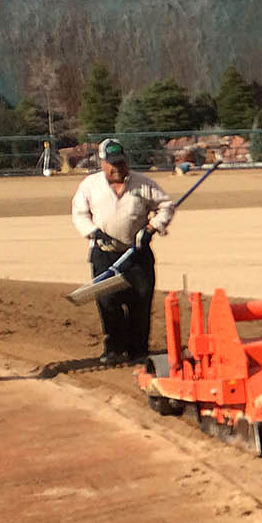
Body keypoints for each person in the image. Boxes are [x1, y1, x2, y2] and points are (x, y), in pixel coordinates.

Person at [70, 138, 174, 365]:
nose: (117, 168)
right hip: (104, 255)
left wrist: (152, 228)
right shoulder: (90, 185)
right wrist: (94, 232)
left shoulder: (144, 184)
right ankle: (114, 348)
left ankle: (138, 350)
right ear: (102, 162)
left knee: (140, 301)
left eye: (121, 163)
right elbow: (79, 213)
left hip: (137, 255)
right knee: (108, 303)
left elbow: (166, 206)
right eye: (112, 164)